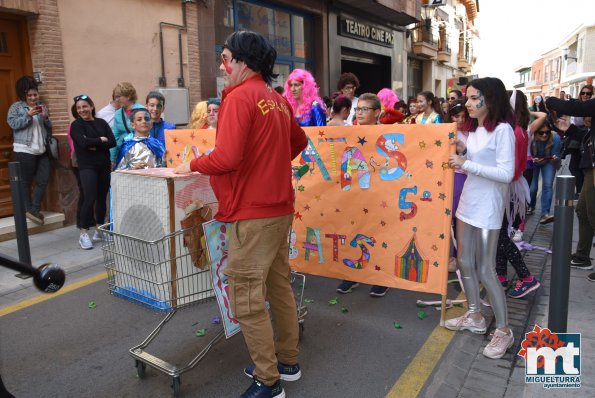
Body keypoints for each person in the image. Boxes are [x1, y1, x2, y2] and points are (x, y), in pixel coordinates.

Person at [174, 30, 308, 398]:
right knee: (278, 285)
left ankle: (268, 381)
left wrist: (194, 165)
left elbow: (228, 157)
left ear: (242, 62)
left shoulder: (240, 97)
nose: (223, 65)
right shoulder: (276, 99)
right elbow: (299, 142)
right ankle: (287, 362)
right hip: (279, 207)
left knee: (246, 296)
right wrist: (269, 163)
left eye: (226, 58)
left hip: (253, 213)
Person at [446, 77, 516, 359]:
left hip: (488, 208)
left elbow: (506, 174)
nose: (469, 103)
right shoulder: (473, 132)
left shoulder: (503, 131)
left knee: (486, 269)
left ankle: (504, 330)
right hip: (468, 203)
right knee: (464, 262)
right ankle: (474, 315)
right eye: (468, 97)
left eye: (475, 98)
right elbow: (477, 163)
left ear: (491, 100)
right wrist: (463, 151)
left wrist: (466, 162)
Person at [336, 93, 390, 298]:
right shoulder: (349, 133)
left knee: (378, 233)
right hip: (355, 195)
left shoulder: (386, 135)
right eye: (357, 109)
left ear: (377, 112)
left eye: (364, 109)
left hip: (378, 195)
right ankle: (352, 274)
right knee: (353, 230)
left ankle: (381, 277)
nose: (359, 113)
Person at [496, 90, 540, 298]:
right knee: (501, 233)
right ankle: (501, 278)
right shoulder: (521, 129)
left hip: (508, 187)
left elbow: (509, 168)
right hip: (515, 185)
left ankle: (526, 277)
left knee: (500, 235)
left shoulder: (512, 131)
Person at [545, 95, 595, 277]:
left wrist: (551, 101)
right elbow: (586, 136)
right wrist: (570, 129)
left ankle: (582, 256)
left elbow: (577, 108)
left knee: (592, 213)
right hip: (589, 168)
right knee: (582, 211)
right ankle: (582, 256)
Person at [69, 95, 116, 249]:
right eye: (79, 108)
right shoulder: (76, 125)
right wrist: (100, 140)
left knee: (102, 198)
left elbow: (112, 141)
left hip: (103, 165)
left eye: (85, 106)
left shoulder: (101, 122)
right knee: (89, 198)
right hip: (87, 166)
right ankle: (83, 233)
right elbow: (82, 143)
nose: (82, 110)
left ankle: (100, 229)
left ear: (91, 106)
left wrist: (94, 143)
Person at [7, 76, 52, 225]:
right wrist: (28, 115)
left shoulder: (42, 106)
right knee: (26, 182)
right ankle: (30, 209)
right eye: (30, 95)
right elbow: (12, 123)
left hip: (42, 149)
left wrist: (45, 118)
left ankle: (34, 209)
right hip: (24, 149)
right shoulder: (16, 107)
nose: (33, 98)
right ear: (23, 95)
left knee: (43, 180)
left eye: (35, 94)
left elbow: (49, 127)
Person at [446, 100, 468, 271]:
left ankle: (461, 256)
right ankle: (452, 257)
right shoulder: (446, 132)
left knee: (462, 220)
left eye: (463, 116)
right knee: (451, 219)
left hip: (468, 179)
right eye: (456, 116)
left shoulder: (474, 133)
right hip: (451, 178)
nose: (460, 120)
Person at [528, 120, 561, 225]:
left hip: (548, 162)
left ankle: (545, 214)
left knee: (547, 185)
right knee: (532, 188)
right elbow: (526, 154)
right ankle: (531, 206)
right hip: (534, 162)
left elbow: (556, 155)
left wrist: (555, 158)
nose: (544, 134)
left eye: (547, 132)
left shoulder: (555, 138)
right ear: (535, 132)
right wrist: (532, 159)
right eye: (541, 132)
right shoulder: (530, 138)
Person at [565, 85, 593, 199]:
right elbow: (571, 120)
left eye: (588, 93)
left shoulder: (591, 106)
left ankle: (582, 191)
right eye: (583, 93)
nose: (585, 95)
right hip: (576, 135)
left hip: (588, 136)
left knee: (584, 166)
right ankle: (580, 190)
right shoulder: (578, 105)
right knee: (574, 166)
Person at [110, 82, 144, 165]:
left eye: (119, 96)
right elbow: (115, 136)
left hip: (140, 152)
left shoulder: (141, 110)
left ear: (128, 96)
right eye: (115, 97)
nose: (116, 99)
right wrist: (112, 159)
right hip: (123, 153)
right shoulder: (118, 113)